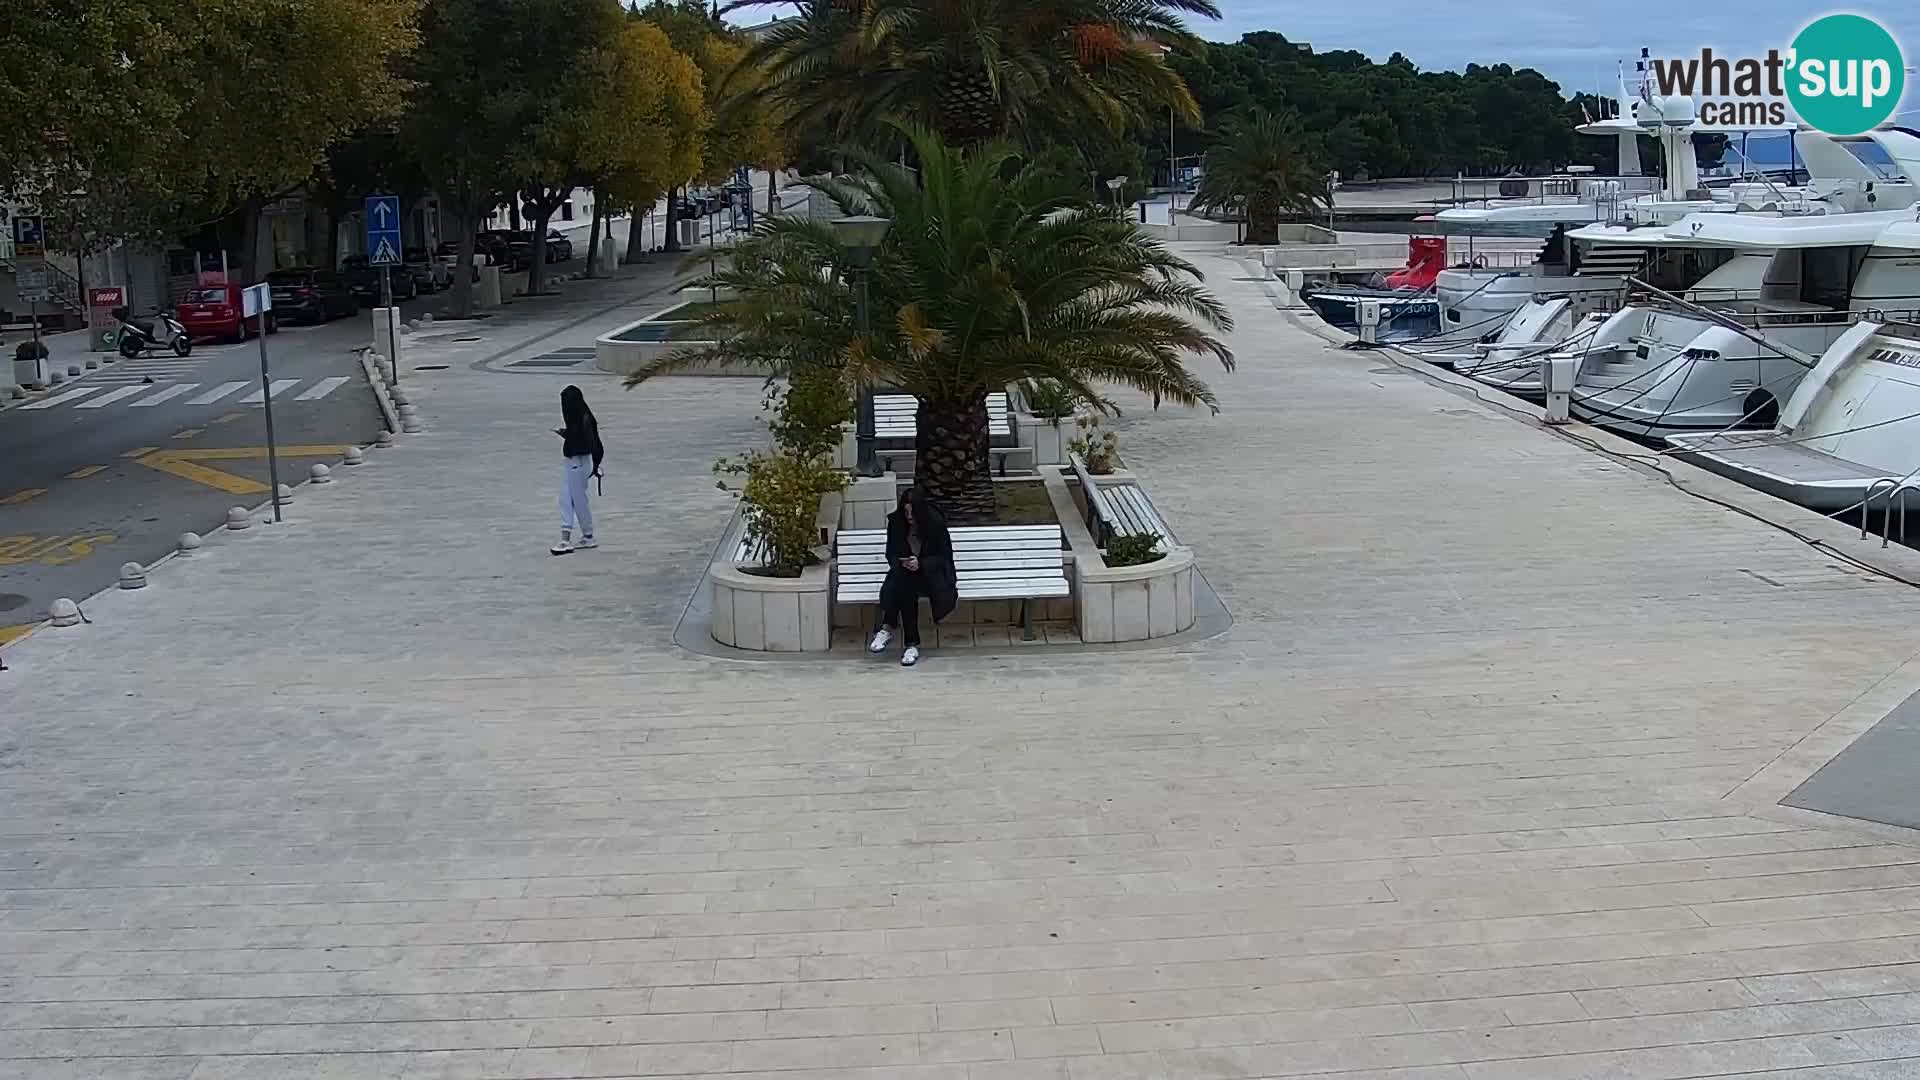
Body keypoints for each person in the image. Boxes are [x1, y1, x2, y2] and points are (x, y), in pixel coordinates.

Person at [868, 487, 957, 666]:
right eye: (906, 511)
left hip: (932, 576)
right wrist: (901, 562)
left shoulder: (934, 523)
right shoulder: (896, 523)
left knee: (903, 584)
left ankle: (888, 628)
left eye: (912, 512)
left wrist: (921, 564)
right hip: (905, 573)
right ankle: (911, 645)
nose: (909, 516)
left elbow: (944, 558)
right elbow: (890, 553)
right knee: (905, 583)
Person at [551, 385, 603, 555]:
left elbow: (586, 443)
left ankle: (568, 539)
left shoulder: (582, 419)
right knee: (571, 499)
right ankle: (586, 536)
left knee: (572, 500)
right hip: (577, 463)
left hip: (577, 463)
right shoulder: (584, 417)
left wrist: (595, 466)